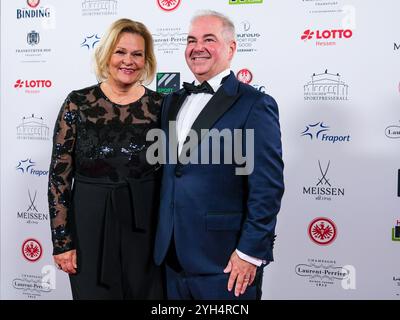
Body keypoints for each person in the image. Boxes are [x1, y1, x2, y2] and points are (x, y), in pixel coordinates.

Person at [153, 10, 284, 300]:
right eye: (191, 40)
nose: (197, 47)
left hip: (225, 263)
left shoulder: (255, 104)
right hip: (170, 258)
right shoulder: (172, 101)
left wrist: (250, 253)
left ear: (231, 48)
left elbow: (267, 187)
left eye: (208, 39)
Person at [48, 18, 164, 300]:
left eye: (137, 54)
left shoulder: (161, 106)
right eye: (120, 52)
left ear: (146, 60)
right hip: (90, 227)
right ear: (107, 55)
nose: (128, 61)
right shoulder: (78, 102)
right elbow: (59, 176)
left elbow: (173, 174)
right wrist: (62, 242)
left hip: (145, 229)